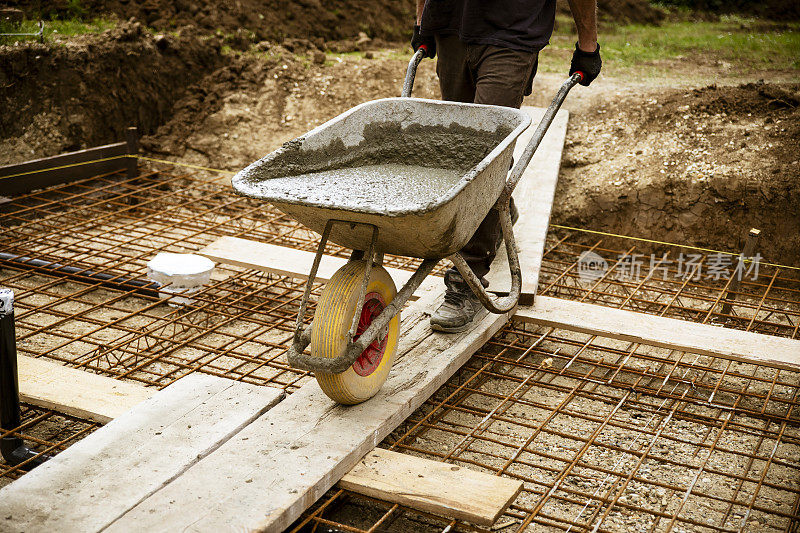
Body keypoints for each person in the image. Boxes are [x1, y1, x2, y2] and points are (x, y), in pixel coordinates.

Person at [411, 0, 602, 333]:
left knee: (486, 156)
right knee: (459, 152)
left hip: (512, 32)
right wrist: (423, 21)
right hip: (451, 25)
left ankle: (465, 283)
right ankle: (500, 212)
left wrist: (588, 41)